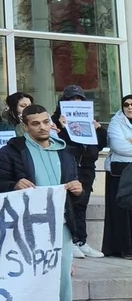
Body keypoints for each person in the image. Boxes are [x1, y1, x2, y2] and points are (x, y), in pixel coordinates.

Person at [0, 104, 96, 301]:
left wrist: (79, 190)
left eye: (45, 121)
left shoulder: (66, 151)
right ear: (25, 126)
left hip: (61, 231)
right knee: (29, 292)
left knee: (63, 296)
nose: (41, 127)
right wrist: (14, 184)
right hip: (27, 232)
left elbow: (76, 195)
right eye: (34, 123)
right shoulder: (13, 150)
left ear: (52, 122)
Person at [52, 85, 104, 259]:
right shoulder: (54, 120)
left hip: (87, 167)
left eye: (79, 99)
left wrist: (98, 130)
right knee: (69, 206)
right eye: (72, 99)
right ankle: (70, 241)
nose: (76, 102)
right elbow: (58, 144)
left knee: (81, 205)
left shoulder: (88, 118)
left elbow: (101, 143)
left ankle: (81, 240)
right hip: (69, 168)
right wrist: (63, 128)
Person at [104, 95, 132, 258]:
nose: (129, 107)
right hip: (120, 172)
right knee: (121, 211)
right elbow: (118, 145)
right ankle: (125, 248)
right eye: (126, 104)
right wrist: (126, 142)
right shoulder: (116, 122)